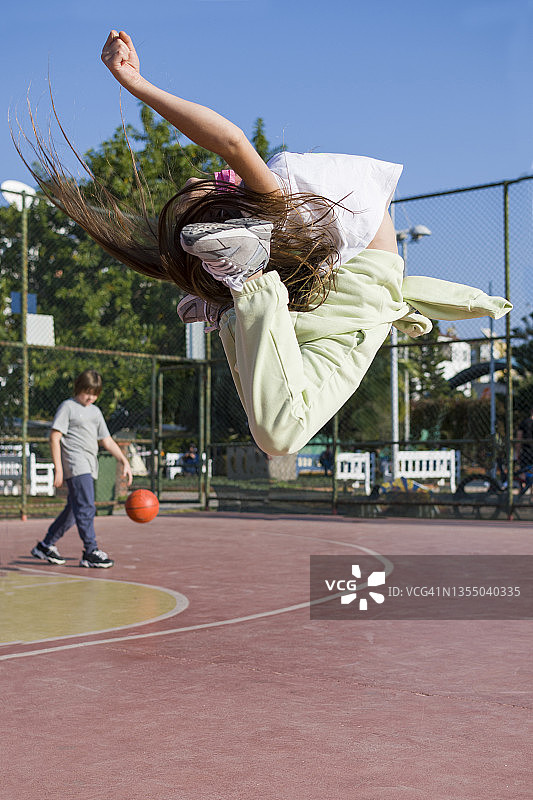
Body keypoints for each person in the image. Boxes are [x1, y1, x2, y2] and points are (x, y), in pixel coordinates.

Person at [17, 30, 513, 458]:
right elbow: (230, 146)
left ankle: (240, 290)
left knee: (278, 434)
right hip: (321, 281)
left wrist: (138, 85)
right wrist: (135, 83)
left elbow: (232, 145)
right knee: (251, 359)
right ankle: (234, 294)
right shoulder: (267, 198)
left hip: (352, 295)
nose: (191, 179)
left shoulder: (275, 197)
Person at [31, 369, 133, 567]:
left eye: (95, 393)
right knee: (87, 506)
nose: (90, 397)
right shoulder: (68, 407)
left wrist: (124, 460)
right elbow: (55, 436)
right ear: (78, 388)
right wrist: (58, 468)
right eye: (87, 392)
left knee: (73, 510)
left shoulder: (95, 411)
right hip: (75, 464)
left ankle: (45, 545)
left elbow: (106, 440)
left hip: (89, 463)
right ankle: (90, 550)